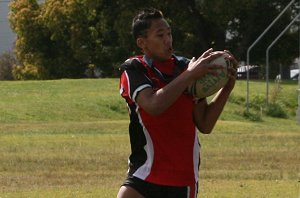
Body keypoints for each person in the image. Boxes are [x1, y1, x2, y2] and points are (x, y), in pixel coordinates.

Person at [117, 8, 238, 198]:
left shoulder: (185, 67)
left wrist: (227, 88)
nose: (168, 40)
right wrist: (189, 75)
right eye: (160, 35)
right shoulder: (134, 69)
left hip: (181, 179)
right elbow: (154, 105)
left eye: (169, 33)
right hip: (144, 173)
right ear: (142, 43)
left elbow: (205, 124)